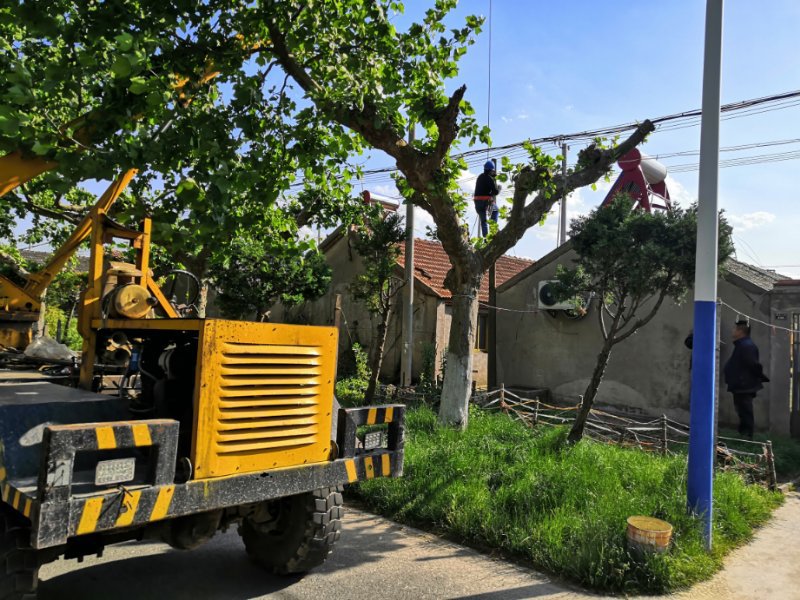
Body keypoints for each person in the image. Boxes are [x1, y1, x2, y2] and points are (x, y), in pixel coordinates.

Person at [723, 320, 769, 439]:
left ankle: (747, 437)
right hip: (740, 385)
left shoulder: (746, 346)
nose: (732, 331)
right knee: (742, 411)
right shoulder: (741, 345)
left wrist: (759, 376)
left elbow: (753, 365)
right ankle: (743, 435)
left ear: (740, 331)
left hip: (744, 385)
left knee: (745, 411)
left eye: (734, 329)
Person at [474, 160, 501, 237]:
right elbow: (495, 192)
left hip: (477, 202)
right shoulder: (489, 179)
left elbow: (484, 186)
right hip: (486, 201)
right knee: (495, 210)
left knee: (483, 221)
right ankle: (493, 231)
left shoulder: (480, 177)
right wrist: (499, 188)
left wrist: (492, 179)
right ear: (491, 170)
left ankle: (486, 237)